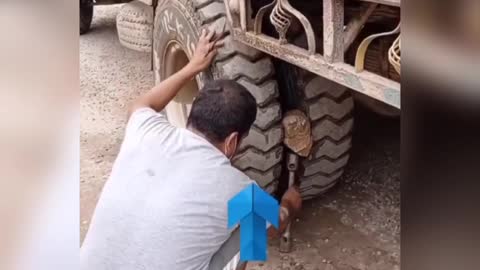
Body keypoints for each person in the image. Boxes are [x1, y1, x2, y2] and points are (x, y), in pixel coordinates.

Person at [80, 29, 302, 270]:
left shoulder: (145, 130)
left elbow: (142, 104)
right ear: (231, 141)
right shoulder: (239, 190)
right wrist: (290, 202)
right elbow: (276, 225)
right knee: (255, 221)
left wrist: (192, 66)